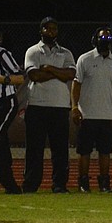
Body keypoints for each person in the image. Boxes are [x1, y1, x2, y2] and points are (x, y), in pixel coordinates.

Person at [22, 17, 76, 194]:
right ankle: (31, 184)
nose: (51, 32)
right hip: (37, 105)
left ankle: (59, 184)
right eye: (48, 28)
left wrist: (50, 68)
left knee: (60, 149)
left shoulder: (66, 53)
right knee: (34, 149)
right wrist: (59, 73)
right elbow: (34, 76)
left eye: (54, 29)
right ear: (41, 30)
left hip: (60, 106)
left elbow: (71, 74)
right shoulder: (33, 51)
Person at [71, 28, 112, 193]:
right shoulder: (85, 59)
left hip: (107, 115)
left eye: (107, 39)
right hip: (87, 114)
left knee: (105, 152)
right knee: (84, 151)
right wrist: (75, 107)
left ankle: (104, 183)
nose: (105, 42)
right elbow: (76, 84)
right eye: (102, 39)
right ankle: (83, 182)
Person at [0, 28, 25, 194]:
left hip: (5, 102)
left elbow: (20, 77)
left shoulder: (2, 54)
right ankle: (9, 183)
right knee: (1, 141)